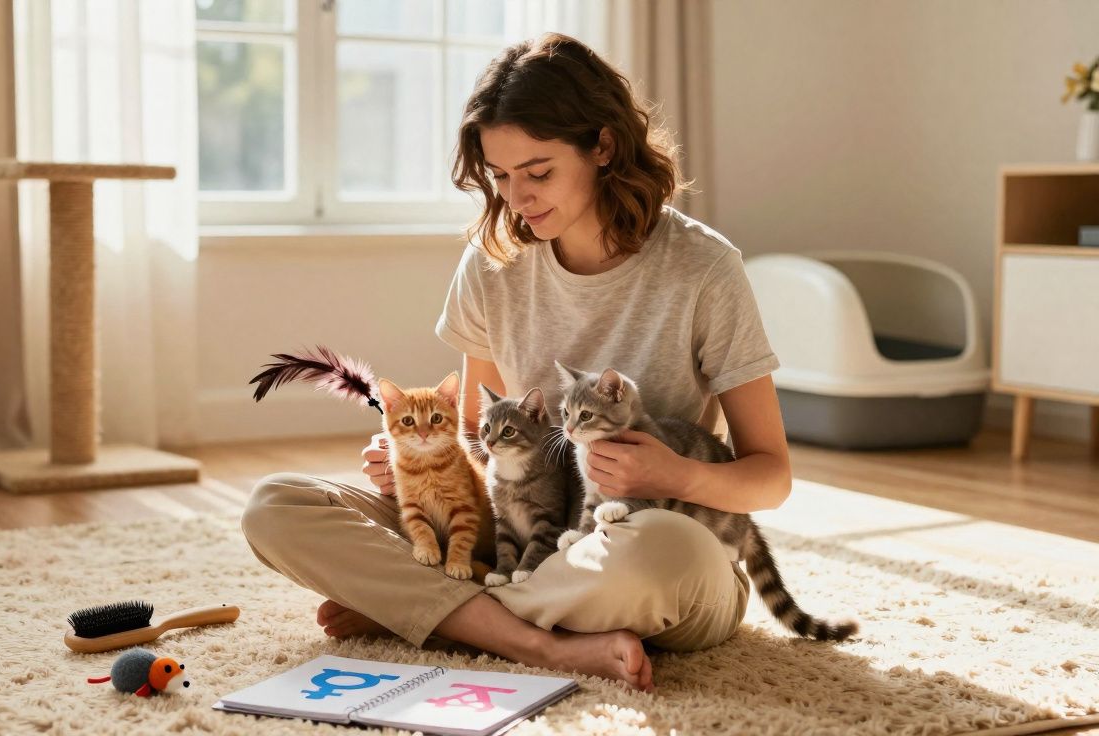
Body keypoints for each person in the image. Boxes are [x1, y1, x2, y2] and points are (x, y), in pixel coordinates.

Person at [241, 32, 791, 693]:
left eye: (538, 172)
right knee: (276, 507)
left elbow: (771, 477)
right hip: (525, 535)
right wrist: (425, 464)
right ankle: (540, 640)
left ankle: (435, 613)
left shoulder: (705, 269)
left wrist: (671, 470)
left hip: (649, 542)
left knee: (650, 559)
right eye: (500, 177)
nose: (517, 199)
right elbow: (478, 441)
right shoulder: (492, 262)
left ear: (604, 147)